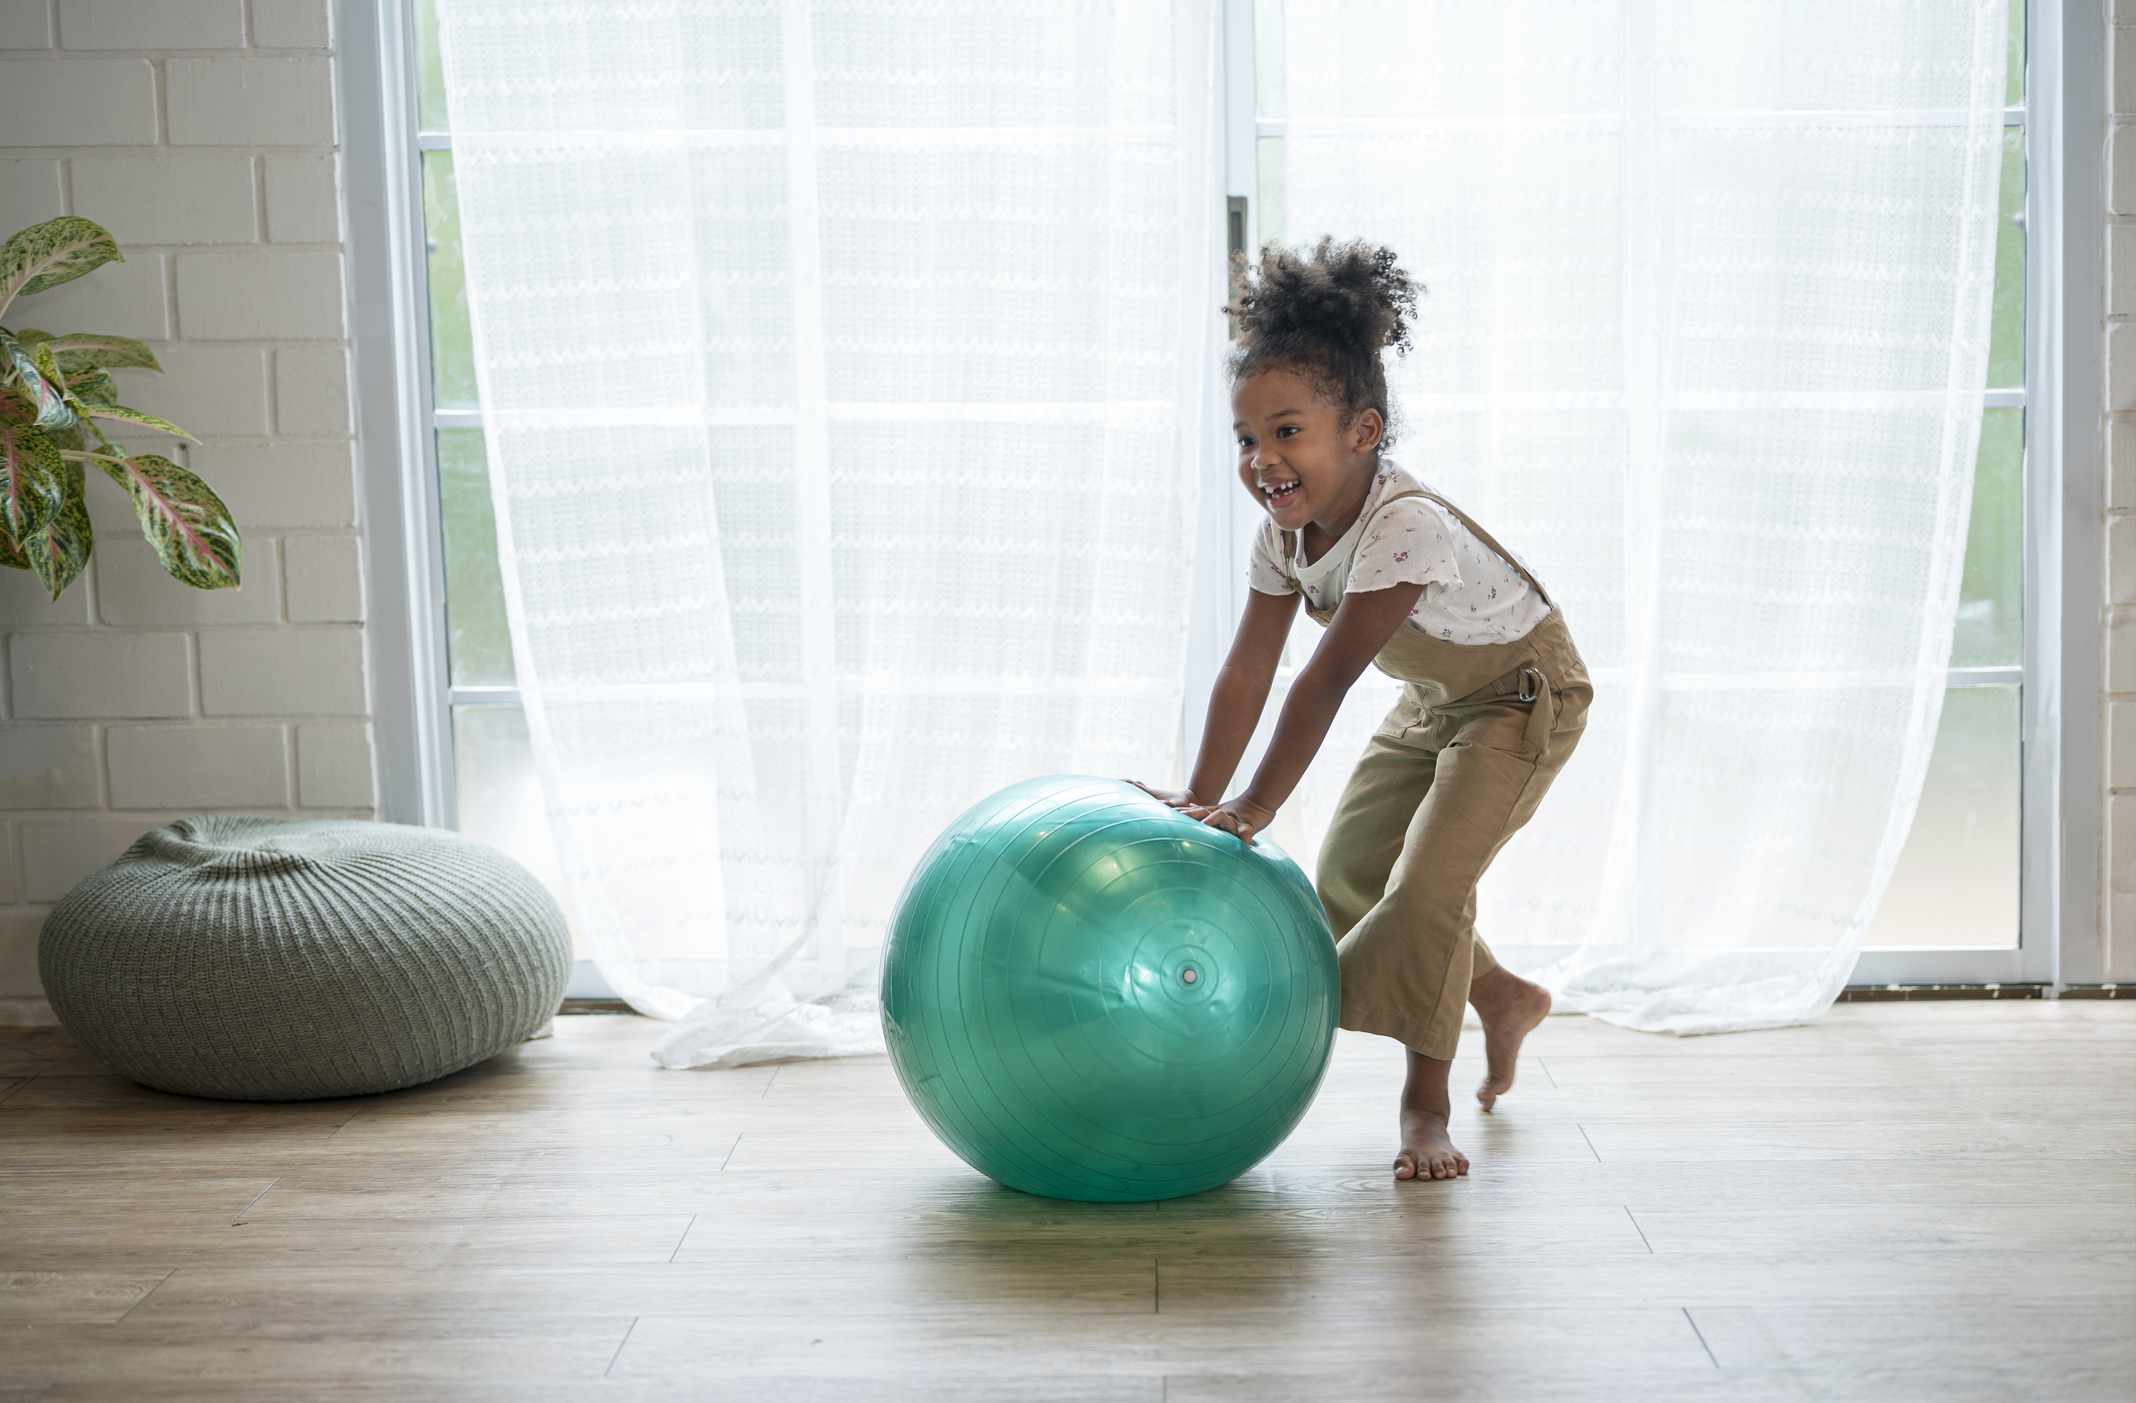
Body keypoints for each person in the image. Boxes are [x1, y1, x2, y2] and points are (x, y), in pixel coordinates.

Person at [1132, 236, 1593, 1183]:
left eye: (1288, 431)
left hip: (1520, 699)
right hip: (1437, 700)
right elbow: (1250, 668)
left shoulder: (1403, 523)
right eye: (1247, 438)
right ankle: (1501, 995)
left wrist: (1256, 808)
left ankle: (1425, 1110)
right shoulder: (1284, 535)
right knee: (1347, 878)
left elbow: (1324, 679)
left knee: (1428, 895)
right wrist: (1202, 802)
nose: (1263, 460)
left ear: (1364, 432)